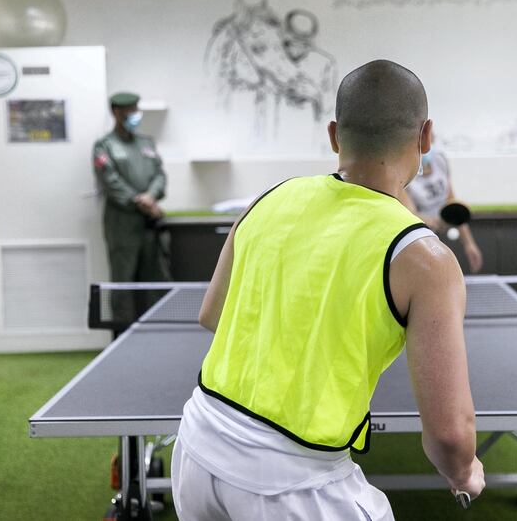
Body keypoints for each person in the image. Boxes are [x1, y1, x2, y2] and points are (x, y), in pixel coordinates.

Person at [171, 60, 485, 520]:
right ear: (426, 137)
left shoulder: (270, 198)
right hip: (291, 481)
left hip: (196, 447)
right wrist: (463, 472)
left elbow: (213, 315)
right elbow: (450, 435)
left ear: (335, 135)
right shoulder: (425, 257)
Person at [92, 92, 168, 324]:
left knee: (157, 281)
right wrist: (140, 201)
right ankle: (121, 334)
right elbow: (111, 181)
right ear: (116, 112)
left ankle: (159, 330)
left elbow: (159, 175)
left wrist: (152, 195)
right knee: (123, 283)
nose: (135, 114)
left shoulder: (146, 143)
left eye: (136, 109)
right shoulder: (105, 146)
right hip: (122, 225)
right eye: (130, 110)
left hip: (150, 224)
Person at [401, 147, 484, 273]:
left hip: (439, 235)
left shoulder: (439, 160)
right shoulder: (404, 170)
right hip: (416, 237)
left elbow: (451, 202)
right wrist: (435, 222)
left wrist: (469, 244)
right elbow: (411, 213)